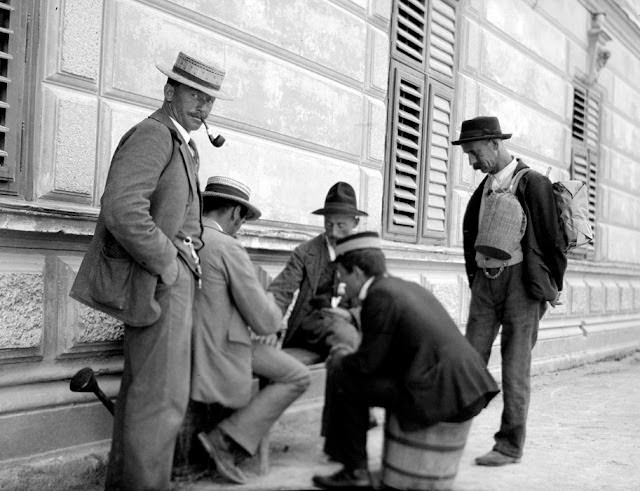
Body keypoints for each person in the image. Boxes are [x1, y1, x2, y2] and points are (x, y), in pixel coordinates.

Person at [69, 51, 231, 490]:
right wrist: (168, 262)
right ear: (168, 91)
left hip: (170, 286)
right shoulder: (154, 136)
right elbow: (122, 209)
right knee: (158, 405)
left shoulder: (179, 141)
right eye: (194, 95)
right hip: (163, 286)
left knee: (148, 403)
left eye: (209, 100)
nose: (202, 107)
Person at [312, 232, 499, 489]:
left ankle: (354, 469)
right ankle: (346, 455)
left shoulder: (379, 297)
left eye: (343, 275)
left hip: (443, 394)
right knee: (351, 372)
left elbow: (367, 364)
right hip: (468, 388)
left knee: (345, 375)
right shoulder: (404, 286)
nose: (342, 283)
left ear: (356, 271)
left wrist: (342, 357)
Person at [453, 116, 567, 466]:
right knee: (470, 362)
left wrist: (550, 288)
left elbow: (552, 241)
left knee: (516, 369)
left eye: (474, 153)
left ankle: (509, 445)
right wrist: (476, 281)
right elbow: (471, 237)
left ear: (494, 144)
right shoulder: (482, 190)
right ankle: (448, 434)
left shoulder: (533, 183)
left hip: (522, 287)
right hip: (485, 286)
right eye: (468, 155)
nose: (472, 163)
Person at [192, 176, 311, 485]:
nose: (240, 226)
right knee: (298, 375)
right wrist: (270, 306)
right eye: (242, 219)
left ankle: (226, 438)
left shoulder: (186, 234)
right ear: (234, 213)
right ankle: (226, 440)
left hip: (187, 340)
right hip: (222, 345)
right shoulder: (227, 247)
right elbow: (266, 322)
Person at [267, 181, 364, 362]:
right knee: (347, 337)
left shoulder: (363, 258)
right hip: (310, 328)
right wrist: (268, 324)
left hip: (348, 325)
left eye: (341, 225)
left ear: (355, 222)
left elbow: (376, 300)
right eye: (329, 224)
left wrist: (350, 315)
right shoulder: (305, 252)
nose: (333, 232)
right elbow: (281, 292)